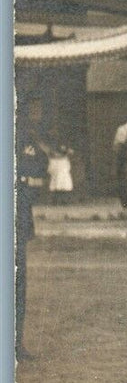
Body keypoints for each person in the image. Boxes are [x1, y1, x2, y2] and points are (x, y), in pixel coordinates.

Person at [16, 96, 48, 361]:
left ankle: (16, 343)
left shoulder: (26, 137)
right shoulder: (22, 135)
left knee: (17, 284)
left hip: (17, 218)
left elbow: (41, 163)